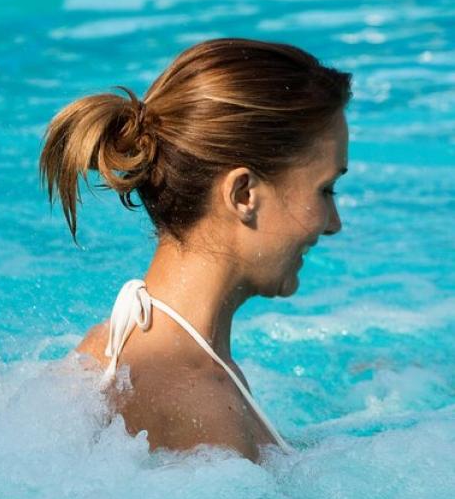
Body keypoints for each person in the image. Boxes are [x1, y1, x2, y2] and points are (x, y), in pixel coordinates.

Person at [41, 38, 351, 461]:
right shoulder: (204, 411)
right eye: (325, 189)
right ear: (244, 194)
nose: (333, 223)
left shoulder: (103, 348)